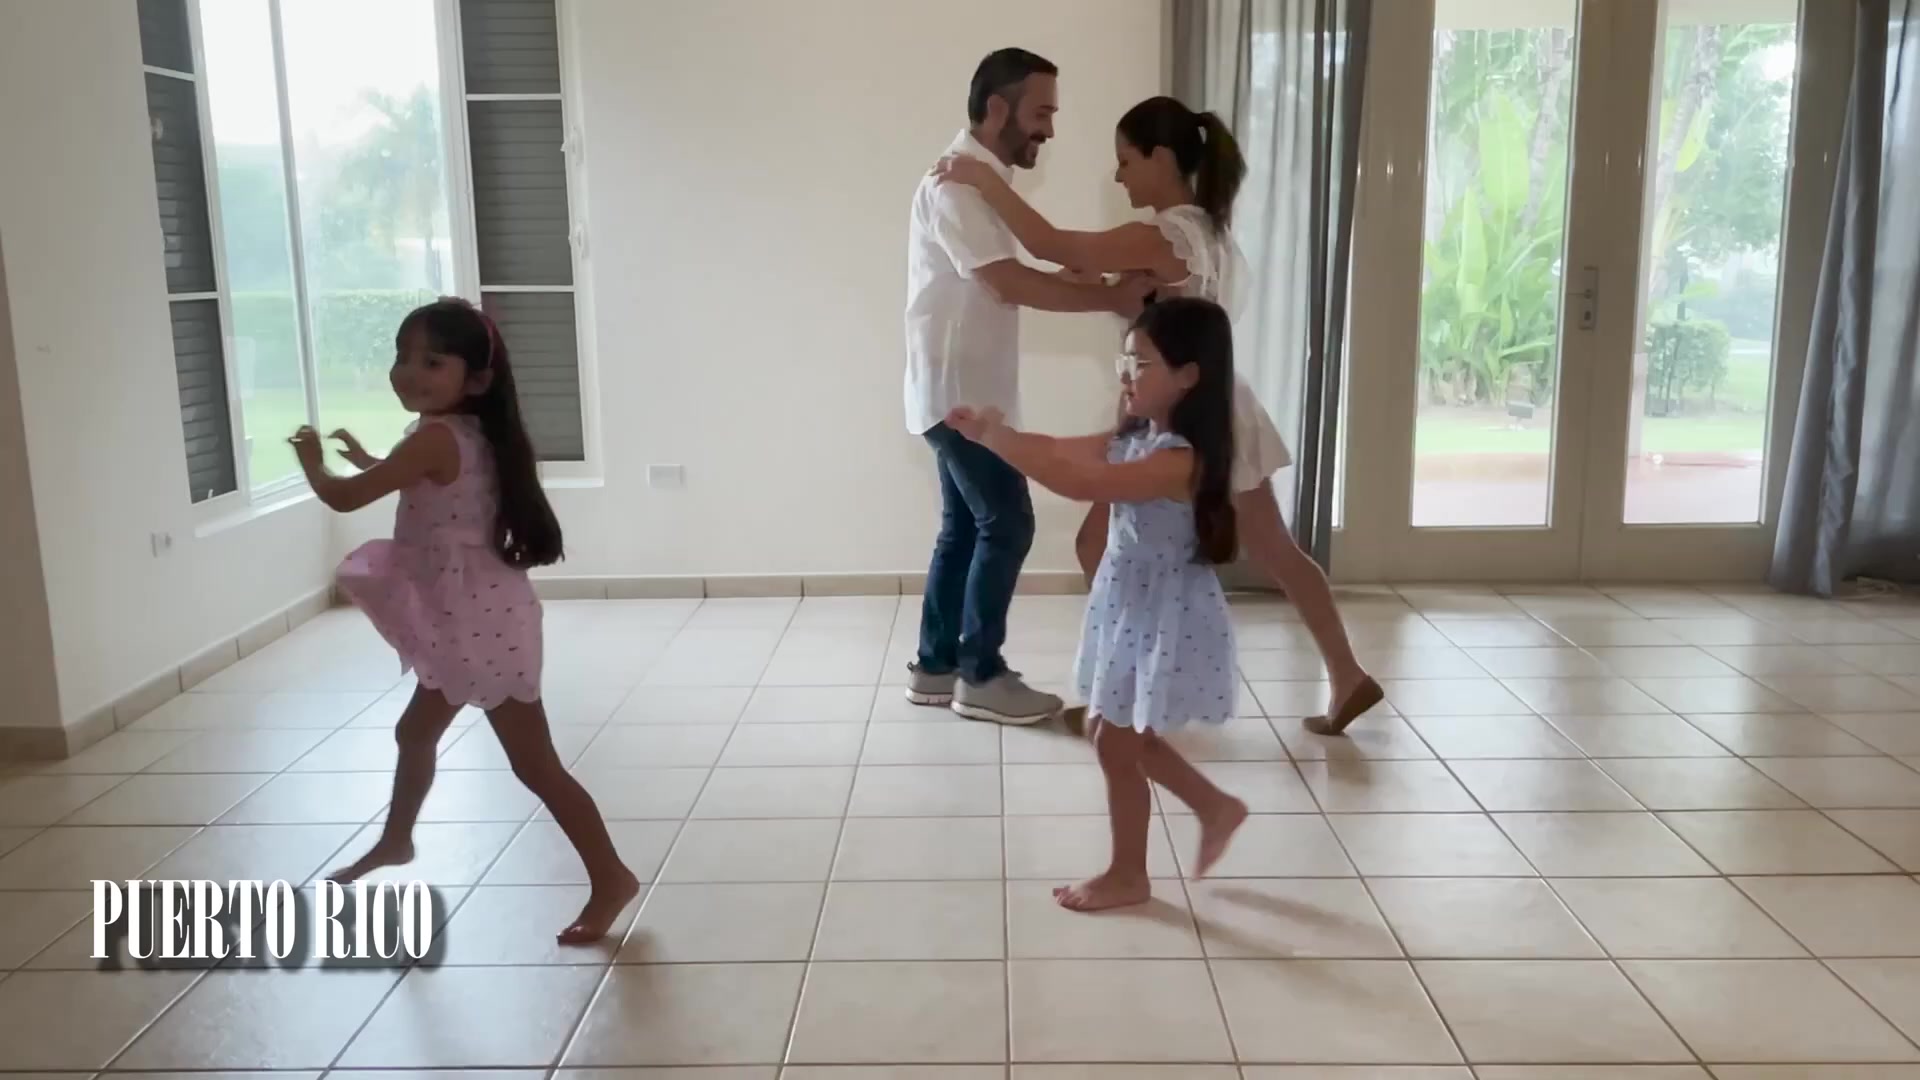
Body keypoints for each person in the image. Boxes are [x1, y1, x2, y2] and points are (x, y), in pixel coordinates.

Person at [935, 95, 1382, 735]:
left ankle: (1122, 698)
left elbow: (1049, 242)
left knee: (1099, 544)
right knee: (1277, 552)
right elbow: (1102, 274)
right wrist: (1096, 280)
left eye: (1126, 161)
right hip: (1225, 405)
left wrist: (982, 178)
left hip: (1179, 415)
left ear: (1163, 159)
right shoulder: (1209, 235)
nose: (1118, 177)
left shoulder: (1164, 236)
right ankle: (1346, 675)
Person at [289, 297, 638, 945]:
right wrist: (371, 458)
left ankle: (611, 876)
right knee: (414, 730)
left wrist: (312, 460)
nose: (408, 372)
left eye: (431, 362)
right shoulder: (464, 433)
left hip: (477, 624)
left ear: (474, 379)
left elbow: (344, 498)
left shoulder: (435, 438)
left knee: (535, 765)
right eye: (402, 357)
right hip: (472, 616)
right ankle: (397, 841)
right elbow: (419, 479)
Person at [946, 297, 1249, 911]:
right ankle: (1213, 806)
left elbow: (1083, 481)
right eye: (1125, 360)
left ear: (1189, 376)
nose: (1127, 374)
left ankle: (1130, 873)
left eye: (1142, 363)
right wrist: (990, 436)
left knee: (1113, 737)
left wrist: (999, 441)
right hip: (1129, 601)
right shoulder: (1135, 437)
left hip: (1163, 610)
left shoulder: (1178, 459)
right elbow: (1061, 450)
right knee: (1108, 730)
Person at [903, 48, 1152, 726]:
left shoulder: (978, 182)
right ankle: (980, 674)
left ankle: (936, 666)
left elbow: (1011, 273)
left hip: (954, 387)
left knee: (964, 527)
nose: (1050, 128)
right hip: (960, 392)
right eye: (1041, 112)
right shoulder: (956, 185)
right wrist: (1110, 299)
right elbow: (1006, 282)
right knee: (1008, 522)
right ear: (997, 108)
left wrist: (1090, 285)